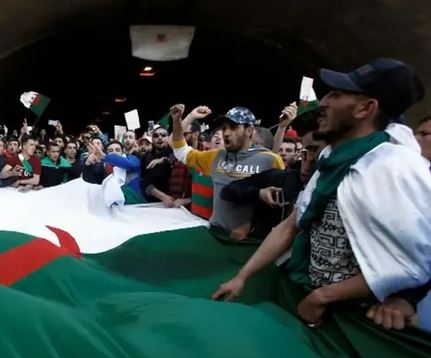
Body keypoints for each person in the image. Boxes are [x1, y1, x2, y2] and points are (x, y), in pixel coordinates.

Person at [213, 58, 431, 330]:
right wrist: (243, 276)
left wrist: (325, 296)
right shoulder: (330, 159)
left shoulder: (397, 169)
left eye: (336, 95)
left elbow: (412, 264)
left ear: (366, 108)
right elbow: (291, 226)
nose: (324, 102)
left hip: (356, 324)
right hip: (307, 302)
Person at [171, 104, 285, 240]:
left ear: (249, 130)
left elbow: (279, 206)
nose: (226, 133)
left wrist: (254, 227)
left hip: (249, 243)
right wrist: (177, 120)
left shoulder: (270, 160)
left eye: (233, 127)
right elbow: (180, 150)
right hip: (215, 234)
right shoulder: (215, 156)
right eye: (224, 128)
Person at [221, 126, 325, 239]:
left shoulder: (335, 192)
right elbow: (228, 191)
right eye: (304, 156)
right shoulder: (279, 178)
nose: (307, 166)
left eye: (315, 160)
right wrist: (259, 193)